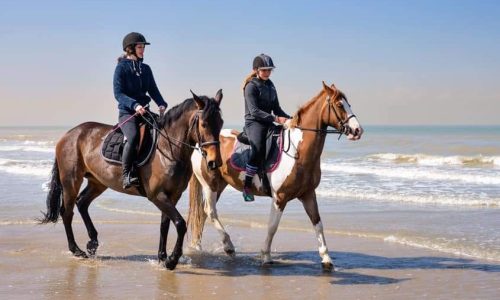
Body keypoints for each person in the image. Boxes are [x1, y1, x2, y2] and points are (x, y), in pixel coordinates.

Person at [113, 32, 168, 189]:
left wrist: (161, 103)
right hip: (128, 113)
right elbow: (118, 94)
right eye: (139, 47)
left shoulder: (146, 69)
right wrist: (134, 105)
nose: (143, 49)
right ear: (130, 49)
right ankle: (126, 175)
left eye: (143, 47)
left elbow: (153, 90)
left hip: (145, 111)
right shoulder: (121, 68)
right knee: (133, 137)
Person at [241, 54, 291, 202]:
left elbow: (277, 108)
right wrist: (276, 119)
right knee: (258, 148)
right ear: (256, 70)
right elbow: (254, 111)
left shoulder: (271, 85)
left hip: (268, 121)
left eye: (269, 70)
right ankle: (247, 185)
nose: (267, 73)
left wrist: (291, 119)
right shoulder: (250, 86)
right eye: (264, 70)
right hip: (254, 122)